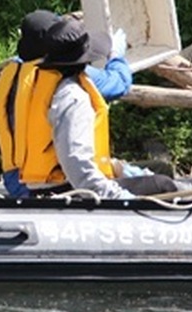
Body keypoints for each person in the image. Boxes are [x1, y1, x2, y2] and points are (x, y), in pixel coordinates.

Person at [11, 17, 178, 199]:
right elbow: (77, 164)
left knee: (157, 175)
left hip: (39, 186)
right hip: (65, 190)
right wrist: (118, 197)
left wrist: (119, 168)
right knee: (163, 185)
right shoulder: (73, 96)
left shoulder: (37, 82)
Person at [0, 9, 135, 197]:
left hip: (16, 180)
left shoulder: (10, 73)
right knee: (157, 178)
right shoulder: (65, 80)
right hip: (56, 184)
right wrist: (116, 55)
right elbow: (119, 83)